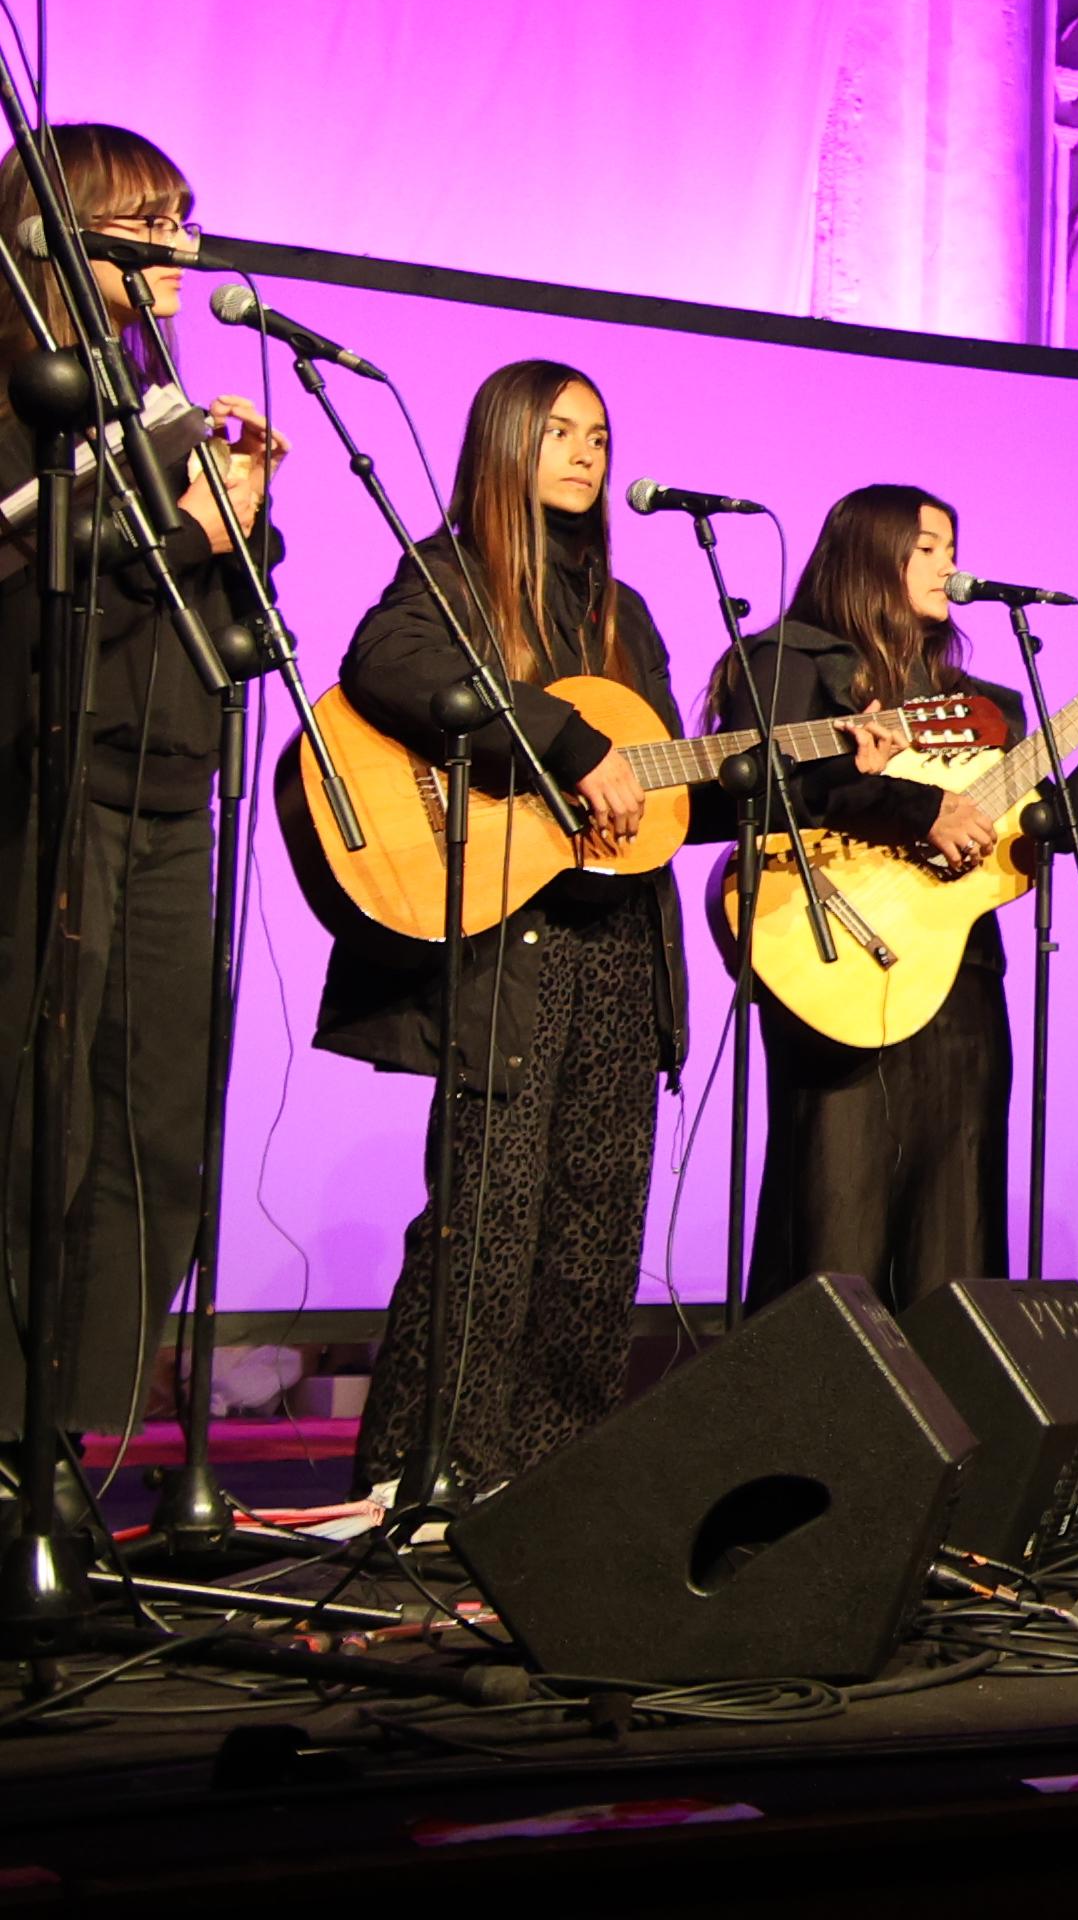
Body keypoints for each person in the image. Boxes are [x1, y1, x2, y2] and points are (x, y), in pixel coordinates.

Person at [316, 360, 712, 1499]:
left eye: (599, 432)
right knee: (486, 1219)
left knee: (595, 1232)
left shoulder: (620, 612)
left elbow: (662, 787)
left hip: (621, 947)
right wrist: (563, 742)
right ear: (504, 446)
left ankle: (547, 1487)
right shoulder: (453, 572)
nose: (587, 452)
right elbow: (384, 664)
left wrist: (819, 769)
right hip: (512, 949)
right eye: (559, 433)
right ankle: (423, 1481)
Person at [0, 126, 284, 1452]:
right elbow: (35, 581)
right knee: (34, 1132)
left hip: (176, 788)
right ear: (73, 229)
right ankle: (10, 1449)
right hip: (54, 782)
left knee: (155, 1142)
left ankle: (85, 1454)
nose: (182, 245)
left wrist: (238, 516)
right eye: (156, 221)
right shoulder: (24, 389)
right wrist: (179, 524)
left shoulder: (151, 387)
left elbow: (202, 587)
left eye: (186, 215)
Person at [721, 485, 1021, 1313]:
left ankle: (950, 1434)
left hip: (956, 971)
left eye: (951, 547)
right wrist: (913, 804)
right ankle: (813, 1428)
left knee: (953, 1219)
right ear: (868, 554)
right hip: (834, 955)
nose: (948, 564)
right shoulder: (787, 660)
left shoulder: (977, 704)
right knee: (837, 1210)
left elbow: (1041, 828)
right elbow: (776, 795)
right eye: (926, 546)